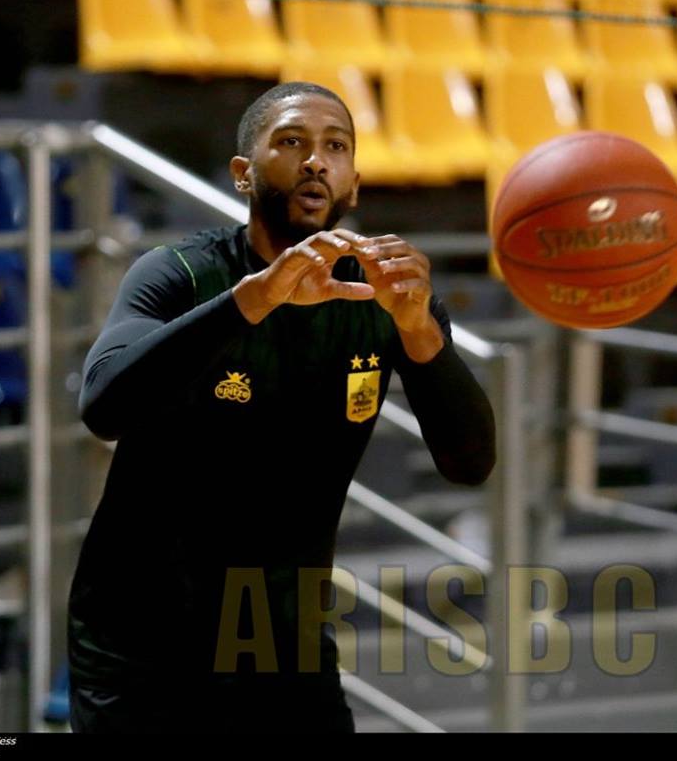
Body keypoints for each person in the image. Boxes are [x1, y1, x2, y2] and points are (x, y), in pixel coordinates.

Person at [67, 81, 496, 733]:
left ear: (353, 181)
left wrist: (421, 332)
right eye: (292, 141)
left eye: (336, 146)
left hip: (281, 641)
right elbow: (103, 406)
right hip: (144, 641)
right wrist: (252, 302)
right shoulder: (178, 274)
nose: (316, 160)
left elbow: (470, 463)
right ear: (244, 173)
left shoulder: (389, 299)